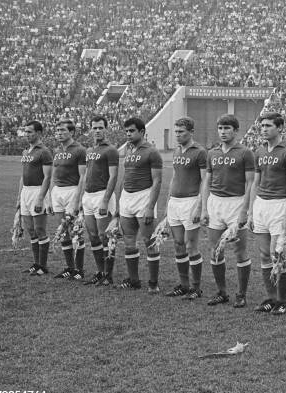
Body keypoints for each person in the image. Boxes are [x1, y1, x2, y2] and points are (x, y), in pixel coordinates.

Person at [201, 114, 255, 307]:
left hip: (236, 204)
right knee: (215, 250)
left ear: (236, 130)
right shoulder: (212, 153)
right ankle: (221, 292)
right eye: (220, 128)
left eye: (227, 128)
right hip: (215, 203)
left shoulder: (245, 153)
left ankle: (241, 294)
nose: (223, 132)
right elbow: (207, 181)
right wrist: (204, 208)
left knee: (239, 251)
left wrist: (245, 211)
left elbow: (250, 183)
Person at [248, 112, 286, 315]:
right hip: (261, 205)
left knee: (277, 254)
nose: (264, 129)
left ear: (279, 128)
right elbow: (255, 183)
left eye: (268, 125)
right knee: (263, 255)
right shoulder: (259, 151)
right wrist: (251, 211)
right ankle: (270, 298)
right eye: (262, 126)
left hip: (279, 204)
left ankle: (282, 301)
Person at [116, 117, 163, 292]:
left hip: (144, 198)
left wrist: (150, 207)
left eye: (132, 131)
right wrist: (120, 200)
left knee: (149, 241)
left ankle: (153, 283)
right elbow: (125, 176)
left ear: (142, 132)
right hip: (127, 198)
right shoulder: (128, 150)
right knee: (129, 240)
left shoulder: (151, 152)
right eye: (126, 131)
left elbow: (157, 181)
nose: (128, 134)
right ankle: (134, 280)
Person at [163, 117, 207, 299]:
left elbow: (205, 181)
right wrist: (167, 203)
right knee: (178, 244)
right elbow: (174, 178)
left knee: (191, 246)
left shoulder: (200, 152)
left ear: (191, 132)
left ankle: (196, 288)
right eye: (176, 132)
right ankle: (184, 284)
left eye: (181, 132)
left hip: (191, 202)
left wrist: (200, 206)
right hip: (175, 202)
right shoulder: (176, 152)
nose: (178, 135)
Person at [81, 116, 119, 286]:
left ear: (106, 129)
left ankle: (108, 275)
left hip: (102, 195)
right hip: (88, 196)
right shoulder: (89, 151)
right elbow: (86, 175)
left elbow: (113, 177)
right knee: (93, 236)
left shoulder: (110, 150)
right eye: (94, 127)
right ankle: (100, 271)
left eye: (100, 127)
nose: (97, 130)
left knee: (105, 236)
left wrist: (105, 200)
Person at [51, 118, 88, 281]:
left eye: (62, 130)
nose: (59, 133)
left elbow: (83, 176)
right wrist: (50, 195)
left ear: (71, 132)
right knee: (63, 231)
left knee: (76, 231)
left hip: (72, 191)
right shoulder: (57, 150)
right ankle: (69, 268)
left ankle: (79, 269)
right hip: (57, 192)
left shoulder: (79, 150)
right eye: (57, 131)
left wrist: (77, 199)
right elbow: (54, 173)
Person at [16, 120, 52, 276]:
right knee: (31, 230)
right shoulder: (25, 151)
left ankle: (42, 266)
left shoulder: (44, 151)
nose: (26, 134)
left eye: (30, 131)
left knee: (40, 229)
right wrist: (19, 197)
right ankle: (36, 264)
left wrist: (40, 198)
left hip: (38, 191)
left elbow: (47, 177)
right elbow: (22, 176)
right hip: (26, 192)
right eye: (25, 131)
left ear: (38, 133)